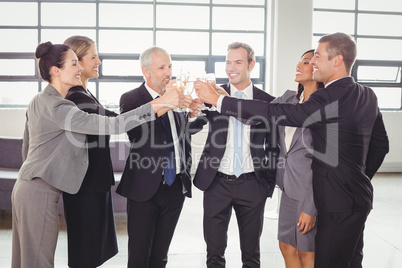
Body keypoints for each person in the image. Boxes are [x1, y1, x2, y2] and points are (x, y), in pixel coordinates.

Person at [196, 32, 390, 268]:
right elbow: (381, 145)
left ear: (337, 60)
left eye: (317, 56)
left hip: (332, 200)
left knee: (328, 261)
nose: (313, 62)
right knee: (351, 260)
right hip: (357, 197)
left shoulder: (326, 96)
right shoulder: (367, 94)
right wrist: (356, 178)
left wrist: (219, 102)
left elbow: (276, 114)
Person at [11, 41, 181, 268]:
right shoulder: (60, 108)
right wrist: (161, 102)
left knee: (24, 259)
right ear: (56, 71)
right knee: (39, 261)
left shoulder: (40, 100)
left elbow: (28, 146)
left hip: (26, 186)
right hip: (38, 191)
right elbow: (115, 125)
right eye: (74, 63)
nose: (79, 68)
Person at [191, 42, 279, 268]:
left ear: (252, 65)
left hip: (252, 183)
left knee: (251, 255)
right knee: (214, 254)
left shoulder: (267, 101)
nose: (231, 67)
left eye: (238, 62)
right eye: (228, 62)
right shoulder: (212, 95)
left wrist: (267, 184)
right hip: (216, 183)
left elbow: (273, 146)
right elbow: (192, 127)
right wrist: (192, 113)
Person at [116, 46, 193, 268]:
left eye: (169, 66)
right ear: (146, 71)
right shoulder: (131, 98)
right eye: (161, 67)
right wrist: (166, 102)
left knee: (160, 256)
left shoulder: (177, 99)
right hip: (144, 188)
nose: (168, 72)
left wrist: (195, 115)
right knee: (139, 256)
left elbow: (181, 134)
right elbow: (136, 135)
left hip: (174, 186)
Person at [62, 35, 118, 268]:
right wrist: (157, 107)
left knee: (92, 250)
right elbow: (113, 122)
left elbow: (111, 117)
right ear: (76, 62)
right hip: (85, 185)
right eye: (93, 56)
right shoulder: (76, 97)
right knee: (86, 251)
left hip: (93, 182)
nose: (99, 61)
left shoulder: (85, 93)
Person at [273, 49, 324, 268]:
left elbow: (325, 164)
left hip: (309, 192)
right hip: (287, 187)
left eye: (305, 62)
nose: (298, 65)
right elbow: (255, 108)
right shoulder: (289, 98)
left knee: (306, 251)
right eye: (299, 61)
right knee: (286, 246)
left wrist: (311, 208)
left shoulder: (324, 107)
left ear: (317, 67)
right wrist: (222, 97)